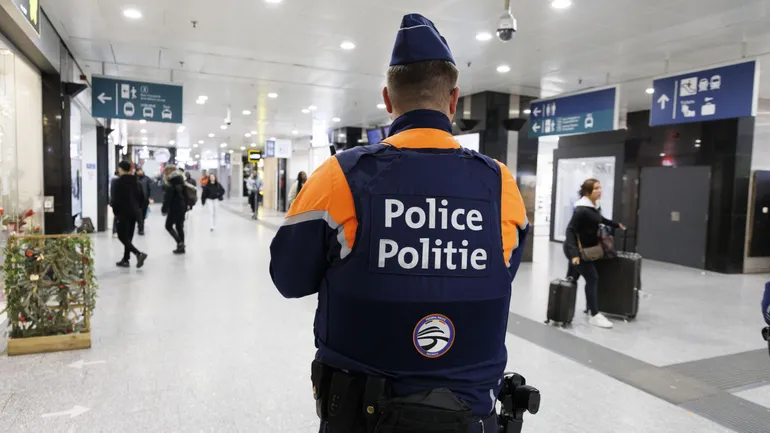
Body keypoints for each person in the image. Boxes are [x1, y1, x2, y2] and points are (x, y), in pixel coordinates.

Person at [269, 14, 530, 433]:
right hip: (470, 415)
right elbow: (500, 274)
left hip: (359, 412)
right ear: (454, 99)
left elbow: (288, 278)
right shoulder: (501, 184)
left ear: (388, 99)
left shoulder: (339, 176)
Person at [564, 178, 626, 329]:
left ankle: (565, 309)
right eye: (596, 188)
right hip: (578, 251)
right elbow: (570, 230)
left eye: (600, 187)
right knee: (592, 277)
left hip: (584, 250)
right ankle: (594, 314)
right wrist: (574, 254)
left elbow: (600, 219)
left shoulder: (593, 207)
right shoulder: (582, 210)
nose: (600, 190)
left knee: (572, 279)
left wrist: (616, 225)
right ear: (587, 192)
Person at [110, 161, 148, 268]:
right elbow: (142, 198)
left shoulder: (117, 182)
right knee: (129, 237)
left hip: (122, 213)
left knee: (122, 236)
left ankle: (138, 254)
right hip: (134, 213)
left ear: (121, 169)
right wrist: (138, 209)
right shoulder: (136, 182)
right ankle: (126, 259)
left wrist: (116, 212)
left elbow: (114, 200)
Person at [161, 165, 188, 254]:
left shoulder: (171, 182)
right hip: (182, 206)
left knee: (168, 226)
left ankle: (180, 243)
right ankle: (181, 248)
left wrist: (164, 209)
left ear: (169, 171)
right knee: (179, 227)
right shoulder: (181, 180)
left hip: (174, 207)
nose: (165, 173)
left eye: (165, 171)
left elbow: (168, 198)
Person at [135, 167, 152, 235]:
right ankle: (140, 228)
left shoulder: (146, 179)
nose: (139, 172)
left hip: (145, 200)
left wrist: (150, 198)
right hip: (136, 200)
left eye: (140, 170)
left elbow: (149, 188)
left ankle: (141, 225)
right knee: (139, 214)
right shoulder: (134, 178)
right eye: (138, 171)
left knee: (143, 214)